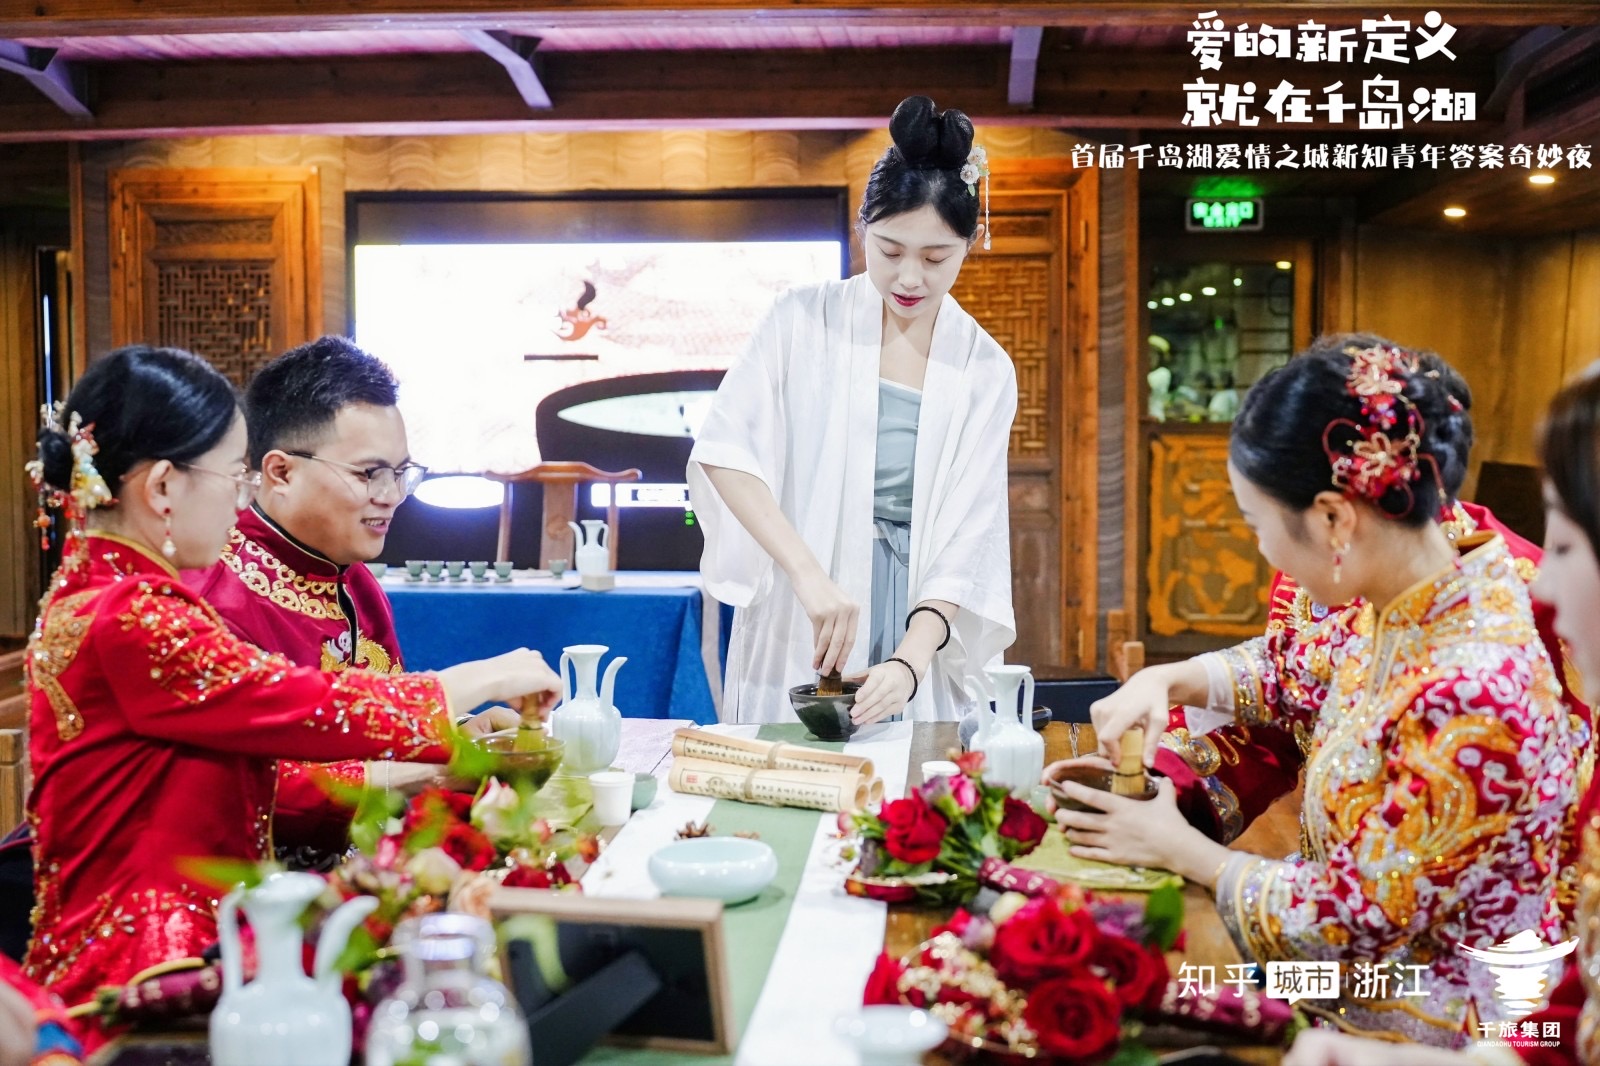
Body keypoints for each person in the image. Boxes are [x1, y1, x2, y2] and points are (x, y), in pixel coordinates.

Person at [20, 346, 559, 1045]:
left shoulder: (95, 587)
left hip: (171, 936)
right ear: (163, 487)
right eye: (232, 475)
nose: (239, 497)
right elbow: (302, 704)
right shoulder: (136, 615)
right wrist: (475, 681)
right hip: (154, 967)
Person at [1052, 335, 1576, 1047]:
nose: (1261, 547)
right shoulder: (1419, 598)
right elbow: (1289, 669)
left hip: (1424, 1014)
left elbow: (1350, 920)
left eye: (1256, 524)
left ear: (1334, 517)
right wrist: (1163, 678)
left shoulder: (1473, 686)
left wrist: (1181, 849)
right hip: (1357, 969)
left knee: (1137, 999)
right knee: (1121, 977)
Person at [1281, 366, 1600, 1066]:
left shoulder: (1482, 654)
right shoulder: (1384, 600)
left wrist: (1192, 857)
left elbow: (1369, 906)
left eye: (1568, 544)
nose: (1548, 582)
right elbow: (1579, 1019)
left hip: (1443, 988)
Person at [688, 95, 1017, 725]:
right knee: (789, 765)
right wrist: (807, 574)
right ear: (863, 228)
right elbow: (725, 454)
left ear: (970, 243)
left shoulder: (984, 369)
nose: (910, 278)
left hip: (921, 615)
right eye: (889, 251)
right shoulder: (798, 320)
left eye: (936, 258)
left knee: (913, 777)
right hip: (805, 601)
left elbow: (968, 538)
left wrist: (910, 662)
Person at [187, 336, 441, 864]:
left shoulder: (353, 578)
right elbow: (241, 785)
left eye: (401, 473)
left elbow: (383, 723)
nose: (391, 495)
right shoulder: (213, 595)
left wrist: (453, 737)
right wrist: (416, 774)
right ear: (281, 472)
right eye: (369, 473)